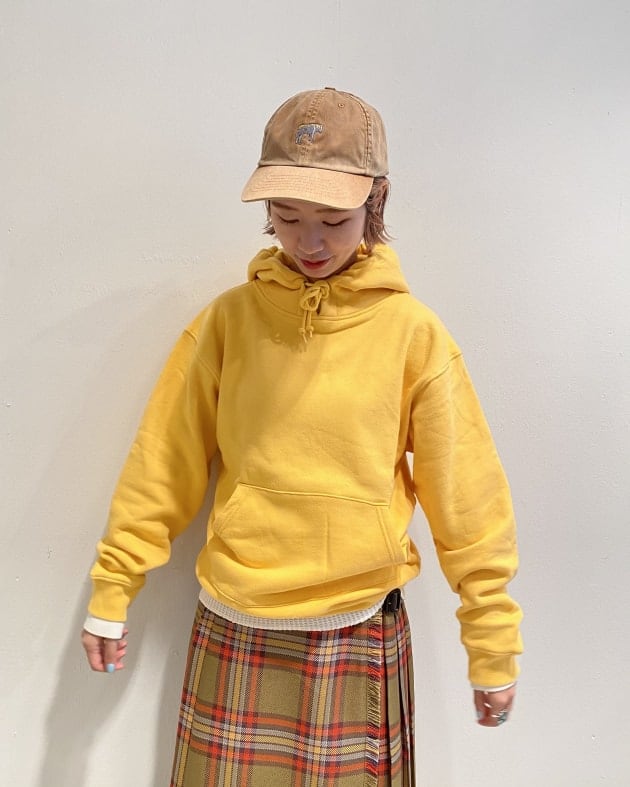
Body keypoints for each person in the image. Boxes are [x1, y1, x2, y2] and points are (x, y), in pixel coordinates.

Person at [81, 87, 523, 785]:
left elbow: (469, 499)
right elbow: (161, 463)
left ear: (377, 202)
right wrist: (113, 589)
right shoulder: (228, 323)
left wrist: (492, 644)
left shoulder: (414, 335)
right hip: (236, 614)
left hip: (357, 622)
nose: (308, 242)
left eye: (333, 221)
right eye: (286, 217)